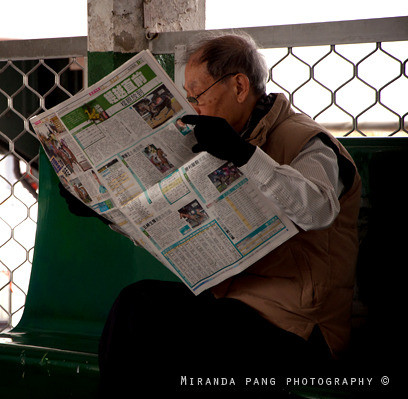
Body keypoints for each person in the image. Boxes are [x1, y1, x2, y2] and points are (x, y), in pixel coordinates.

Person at [97, 32, 362, 396]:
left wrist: (244, 155)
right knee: (137, 305)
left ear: (239, 86)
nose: (195, 108)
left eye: (199, 96)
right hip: (236, 313)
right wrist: (106, 212)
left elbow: (318, 209)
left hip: (300, 331)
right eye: (189, 99)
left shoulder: (308, 140)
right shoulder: (228, 142)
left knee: (150, 319)